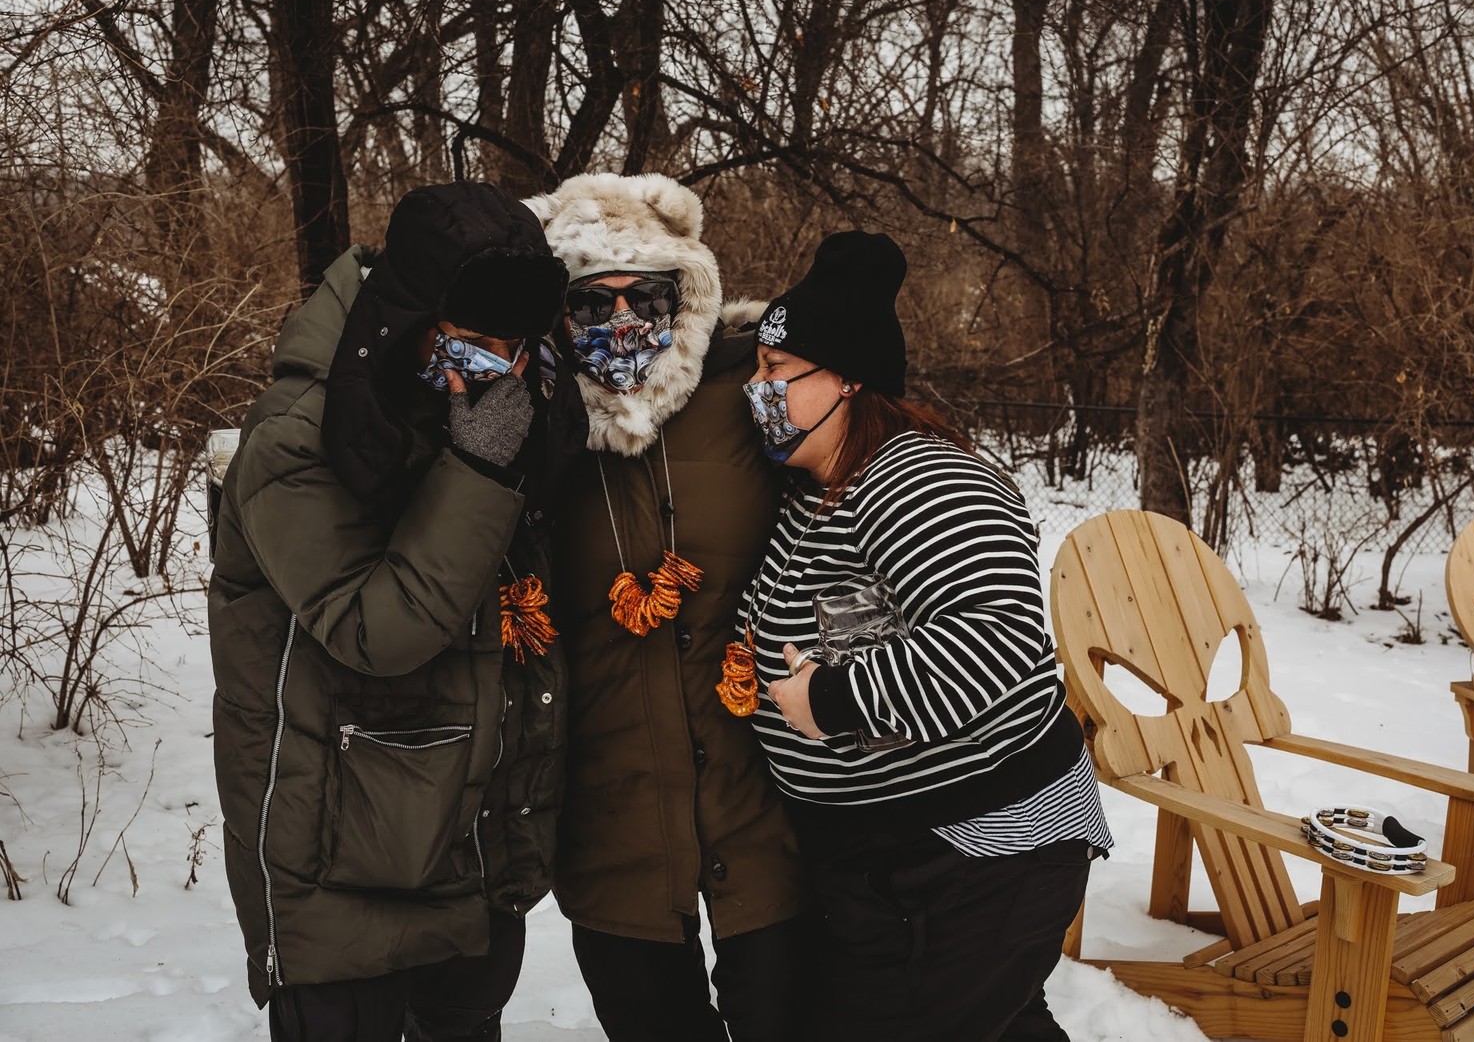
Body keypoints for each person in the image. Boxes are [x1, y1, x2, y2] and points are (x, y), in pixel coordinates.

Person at [208, 181, 584, 1041]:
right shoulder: (295, 440)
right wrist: (479, 472)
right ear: (406, 318)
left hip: (467, 855)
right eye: (474, 339)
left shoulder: (498, 411)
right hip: (337, 875)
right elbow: (378, 631)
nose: (499, 365)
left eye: (516, 344)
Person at [735, 231, 1114, 1042]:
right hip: (889, 856)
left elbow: (997, 636)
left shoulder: (921, 478)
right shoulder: (813, 486)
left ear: (848, 379)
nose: (755, 390)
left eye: (774, 370)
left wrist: (832, 700)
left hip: (978, 847)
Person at [523, 173, 810, 1041]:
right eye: (591, 300)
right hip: (613, 809)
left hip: (762, 794)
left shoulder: (753, 393)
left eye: (644, 296)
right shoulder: (532, 421)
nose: (621, 318)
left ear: (681, 297)